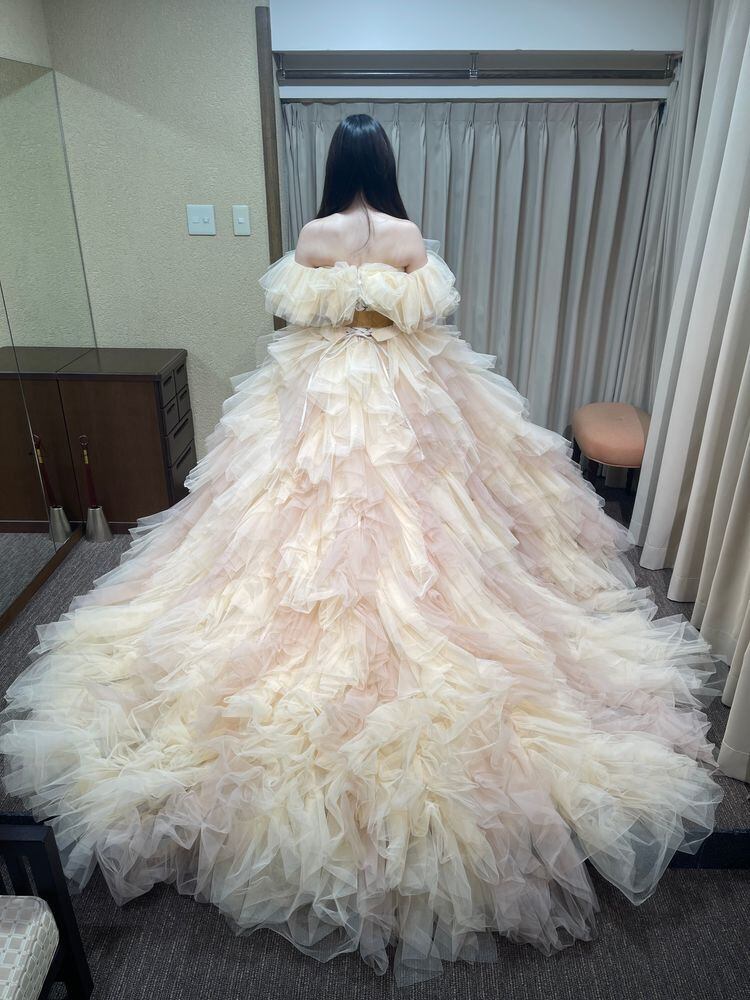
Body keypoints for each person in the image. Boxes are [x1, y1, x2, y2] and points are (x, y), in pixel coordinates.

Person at [0, 114, 725, 986]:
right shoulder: (408, 236)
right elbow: (429, 320)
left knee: (285, 517)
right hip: (405, 388)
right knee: (436, 520)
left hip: (318, 390)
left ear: (335, 163)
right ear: (381, 163)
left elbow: (294, 319)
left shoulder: (314, 235)